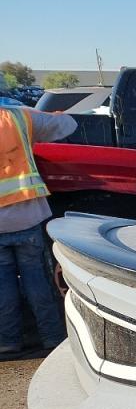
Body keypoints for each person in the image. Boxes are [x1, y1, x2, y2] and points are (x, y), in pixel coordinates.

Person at [0, 105, 77, 357]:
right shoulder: (18, 117)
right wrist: (54, 115)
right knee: (37, 281)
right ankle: (52, 337)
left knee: (4, 285)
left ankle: (8, 341)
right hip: (27, 214)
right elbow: (68, 125)